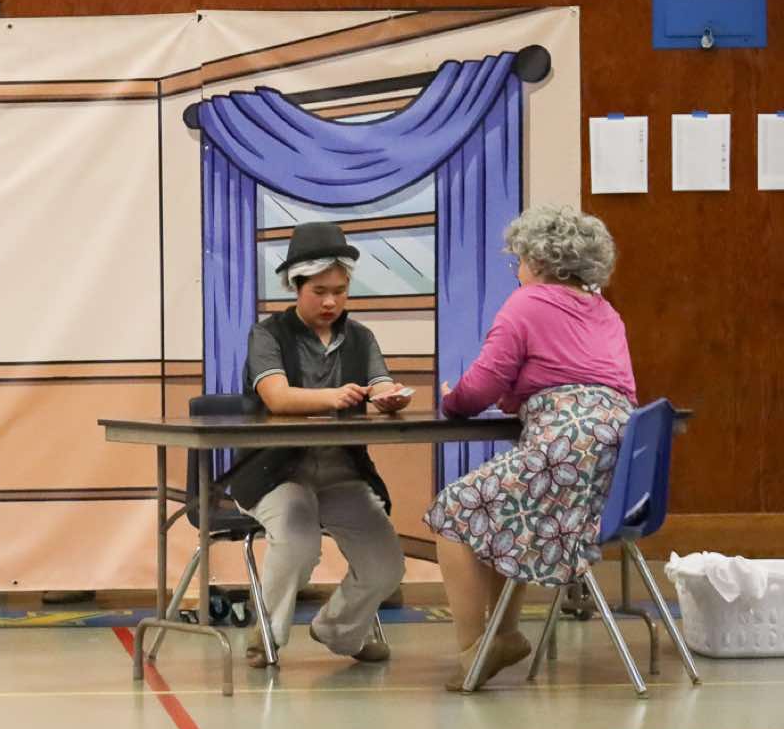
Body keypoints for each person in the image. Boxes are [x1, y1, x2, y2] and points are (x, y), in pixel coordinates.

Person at [427, 205, 636, 692]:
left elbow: (483, 384)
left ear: (539, 261)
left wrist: (452, 400)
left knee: (451, 513)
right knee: (509, 514)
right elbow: (587, 377)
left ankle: (474, 649)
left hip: (566, 442)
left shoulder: (527, 303)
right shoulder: (605, 311)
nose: (517, 268)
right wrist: (521, 396)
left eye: (518, 258)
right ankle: (502, 635)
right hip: (614, 450)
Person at [231, 221, 410, 668]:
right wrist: (334, 397)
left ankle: (339, 629)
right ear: (296, 286)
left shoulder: (361, 337)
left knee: (386, 563)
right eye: (319, 291)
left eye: (340, 291)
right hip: (276, 471)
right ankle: (266, 637)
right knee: (297, 542)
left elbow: (379, 383)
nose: (331, 301)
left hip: (341, 471)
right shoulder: (267, 335)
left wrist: (389, 396)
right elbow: (276, 396)